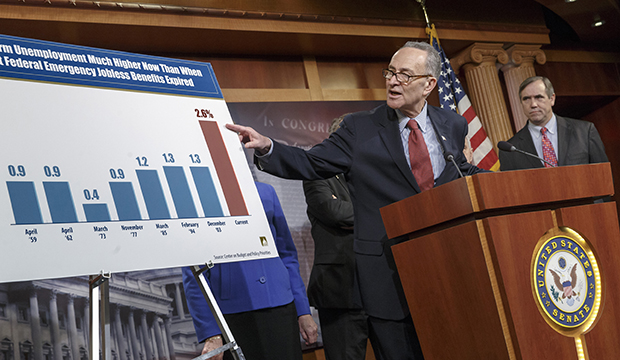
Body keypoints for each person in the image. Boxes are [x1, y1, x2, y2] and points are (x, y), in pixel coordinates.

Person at [225, 41, 484, 360]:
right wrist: (268, 147)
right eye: (390, 72)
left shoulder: (452, 125)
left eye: (404, 75)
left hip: (443, 268)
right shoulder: (360, 128)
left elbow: (458, 171)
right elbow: (312, 163)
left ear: (429, 84)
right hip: (388, 276)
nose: (392, 81)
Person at [182, 182, 318, 360]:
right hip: (233, 316)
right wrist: (211, 332)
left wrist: (303, 310)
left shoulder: (266, 191)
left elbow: (286, 254)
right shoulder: (196, 197)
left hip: (281, 308)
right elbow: (193, 274)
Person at [303, 115, 369, 360]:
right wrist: (374, 212)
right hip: (341, 291)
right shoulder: (317, 173)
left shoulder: (374, 174)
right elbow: (334, 212)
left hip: (382, 288)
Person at [499, 76, 608, 170]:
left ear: (552, 99)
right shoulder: (511, 150)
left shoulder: (584, 132)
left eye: (539, 97)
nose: (533, 104)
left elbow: (603, 177)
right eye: (526, 99)